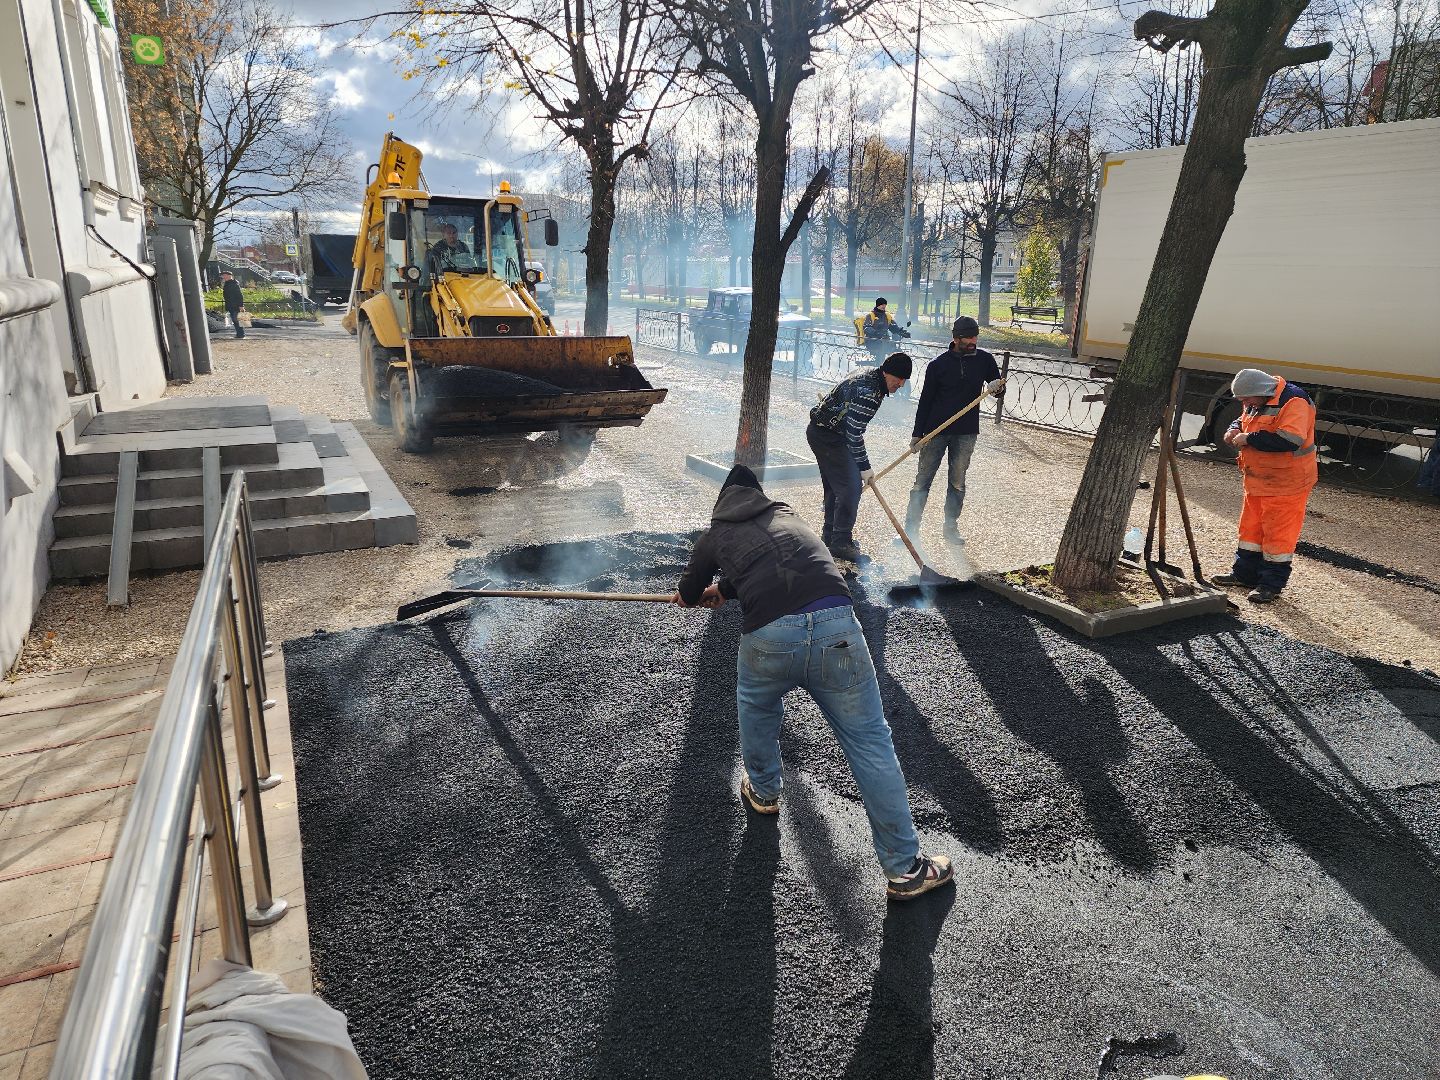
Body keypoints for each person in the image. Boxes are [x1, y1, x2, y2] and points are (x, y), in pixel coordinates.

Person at [672, 464, 954, 901]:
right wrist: (728, 588)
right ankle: (905, 869)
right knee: (869, 740)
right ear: (759, 497)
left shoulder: (715, 535)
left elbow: (690, 594)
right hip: (838, 630)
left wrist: (707, 591)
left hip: (770, 639)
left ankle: (764, 792)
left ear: (722, 505)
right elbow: (787, 562)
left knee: (756, 706)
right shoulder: (789, 516)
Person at [1210, 368, 1318, 603]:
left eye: (1246, 399)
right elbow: (1244, 419)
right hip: (1259, 479)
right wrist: (1234, 429)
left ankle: (1270, 586)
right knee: (1251, 530)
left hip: (1287, 483)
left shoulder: (1295, 401)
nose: (1244, 403)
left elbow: (1290, 440)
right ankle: (1244, 575)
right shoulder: (1258, 398)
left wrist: (1248, 439)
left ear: (1260, 391)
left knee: (1278, 537)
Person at [905, 316, 1005, 545]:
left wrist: (996, 388)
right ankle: (910, 529)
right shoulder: (938, 365)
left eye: (975, 337)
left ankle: (950, 527)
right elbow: (925, 401)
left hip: (966, 431)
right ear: (955, 338)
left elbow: (997, 388)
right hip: (935, 431)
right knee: (922, 481)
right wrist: (917, 434)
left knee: (957, 482)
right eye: (968, 337)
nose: (973, 341)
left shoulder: (985, 360)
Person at [806, 353, 913, 563]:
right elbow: (854, 433)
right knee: (851, 487)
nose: (900, 384)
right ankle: (840, 541)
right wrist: (864, 467)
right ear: (885, 372)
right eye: (897, 378)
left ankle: (830, 535)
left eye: (903, 380)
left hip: (822, 432)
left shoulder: (869, 375)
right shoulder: (870, 393)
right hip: (829, 436)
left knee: (835, 486)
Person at [862, 297, 909, 365]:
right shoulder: (870, 316)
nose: (884, 306)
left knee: (895, 349)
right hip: (872, 340)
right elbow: (866, 328)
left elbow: (893, 327)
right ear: (877, 305)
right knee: (882, 347)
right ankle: (880, 366)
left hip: (884, 340)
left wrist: (901, 332)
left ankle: (893, 367)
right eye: (882, 304)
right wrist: (876, 332)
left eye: (885, 304)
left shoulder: (887, 316)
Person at [220, 271, 245, 339]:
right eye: (223, 275)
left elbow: (239, 295)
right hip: (231, 304)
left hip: (235, 305)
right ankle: (239, 334)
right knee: (235, 320)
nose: (223, 277)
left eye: (224, 275)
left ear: (229, 276)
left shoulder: (234, 284)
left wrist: (241, 305)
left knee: (236, 320)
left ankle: (241, 334)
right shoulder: (227, 283)